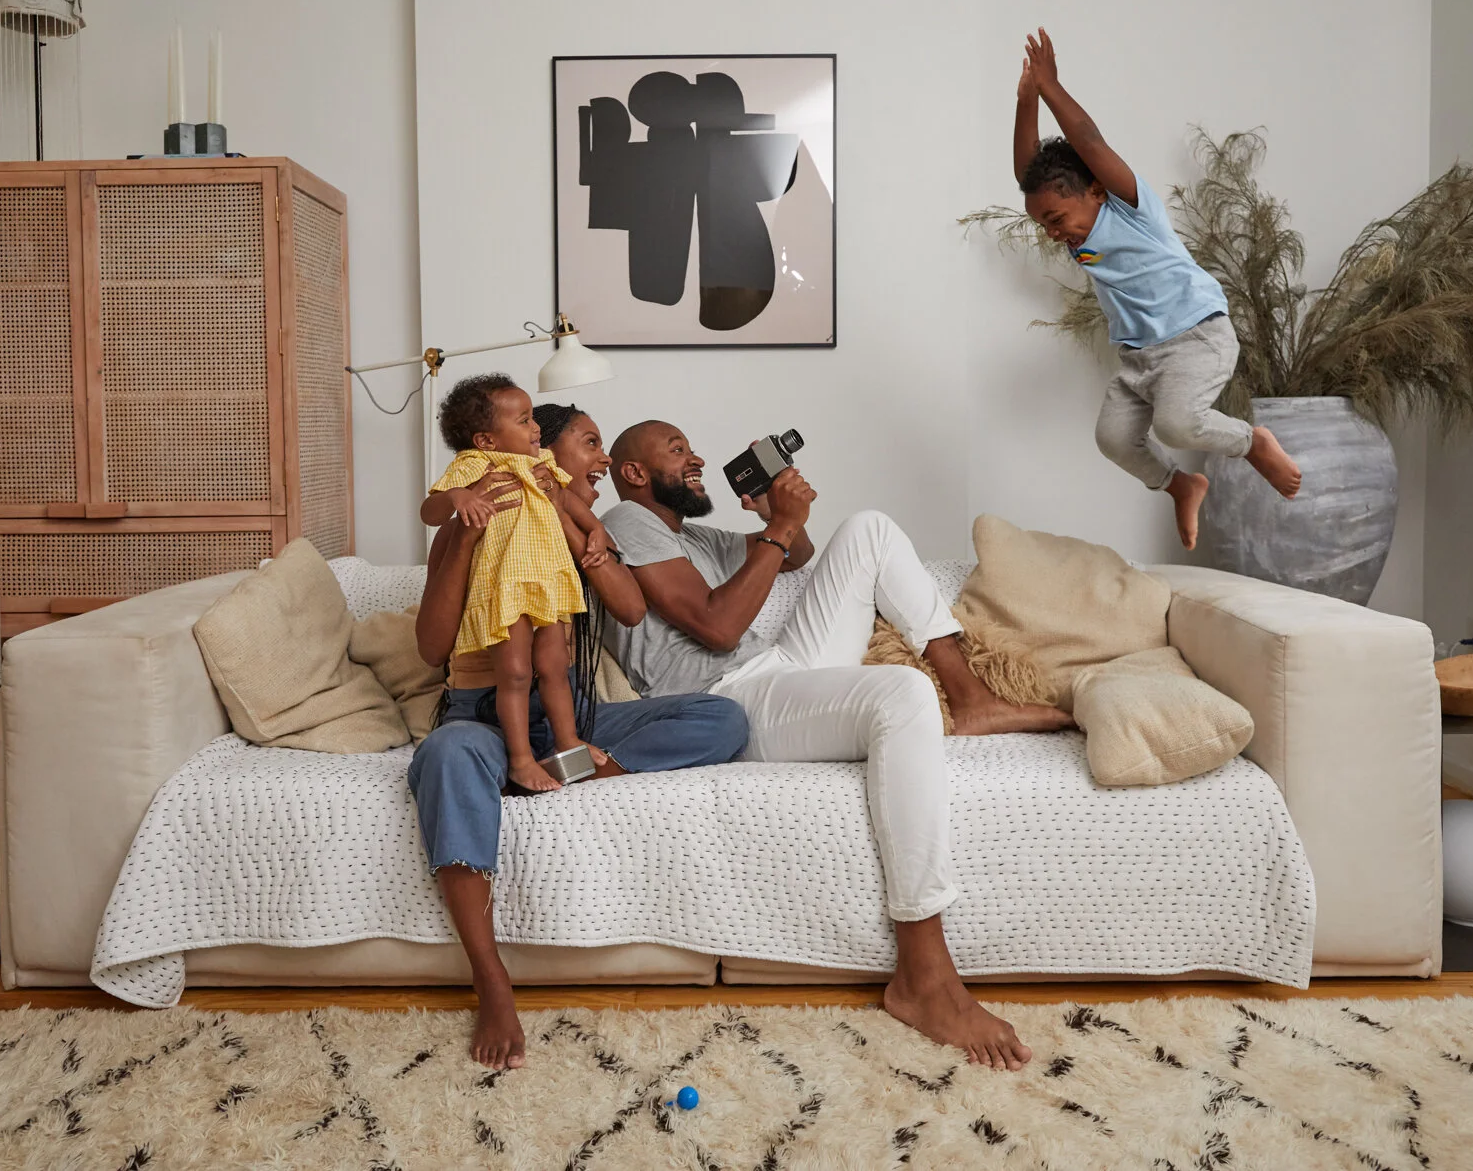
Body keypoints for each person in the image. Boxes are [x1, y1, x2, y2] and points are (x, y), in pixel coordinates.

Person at [600, 421, 1070, 1071]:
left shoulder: (691, 536)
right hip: (724, 702)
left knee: (870, 529)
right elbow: (716, 625)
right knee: (902, 693)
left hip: (776, 670)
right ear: (633, 473)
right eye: (677, 450)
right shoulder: (626, 522)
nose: (696, 457)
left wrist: (775, 514)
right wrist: (780, 525)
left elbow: (794, 556)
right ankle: (924, 974)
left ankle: (971, 698)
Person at [405, 400, 750, 1071]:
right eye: (589, 445)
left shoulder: (564, 522)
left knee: (723, 718)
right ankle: (492, 978)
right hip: (481, 716)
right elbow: (429, 648)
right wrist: (470, 534)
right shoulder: (470, 519)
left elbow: (629, 608)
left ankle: (566, 765)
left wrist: (577, 531)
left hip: (572, 717)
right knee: (447, 753)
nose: (602, 461)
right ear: (538, 452)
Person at [1013, 27, 1302, 549]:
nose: (1053, 233)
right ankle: (1181, 485)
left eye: (1056, 219)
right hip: (1139, 357)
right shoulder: (1078, 235)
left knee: (1177, 425)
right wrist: (1025, 102)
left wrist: (1050, 86)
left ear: (1095, 190)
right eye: (1045, 225)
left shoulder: (1129, 207)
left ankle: (1253, 442)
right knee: (1113, 439)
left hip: (1196, 336)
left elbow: (1089, 142)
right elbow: (1027, 174)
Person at [419, 374, 609, 793]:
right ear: (486, 440)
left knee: (555, 666)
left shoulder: (542, 463)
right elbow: (430, 511)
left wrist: (596, 531)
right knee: (517, 672)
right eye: (524, 420)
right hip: (506, 591)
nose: (535, 427)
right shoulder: (475, 465)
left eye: (531, 419)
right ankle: (521, 760)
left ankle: (568, 744)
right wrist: (458, 497)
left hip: (546, 586)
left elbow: (568, 500)